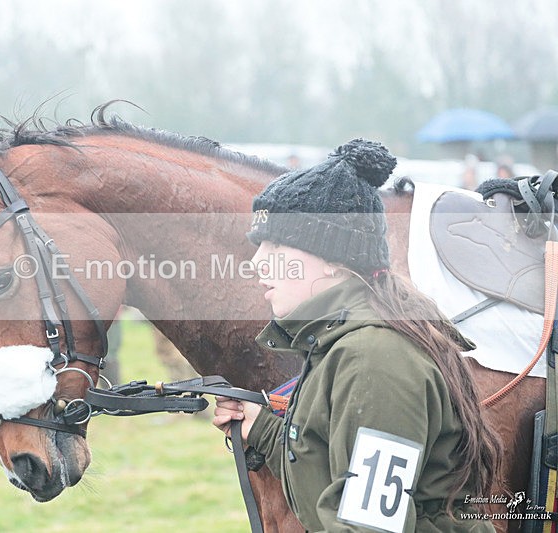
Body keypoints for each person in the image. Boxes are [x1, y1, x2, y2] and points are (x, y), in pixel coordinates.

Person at [213, 139, 498, 532]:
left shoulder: (374, 358)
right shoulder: (344, 338)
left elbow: (370, 525)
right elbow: (331, 467)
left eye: (276, 244)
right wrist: (259, 427)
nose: (258, 261)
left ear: (333, 260)